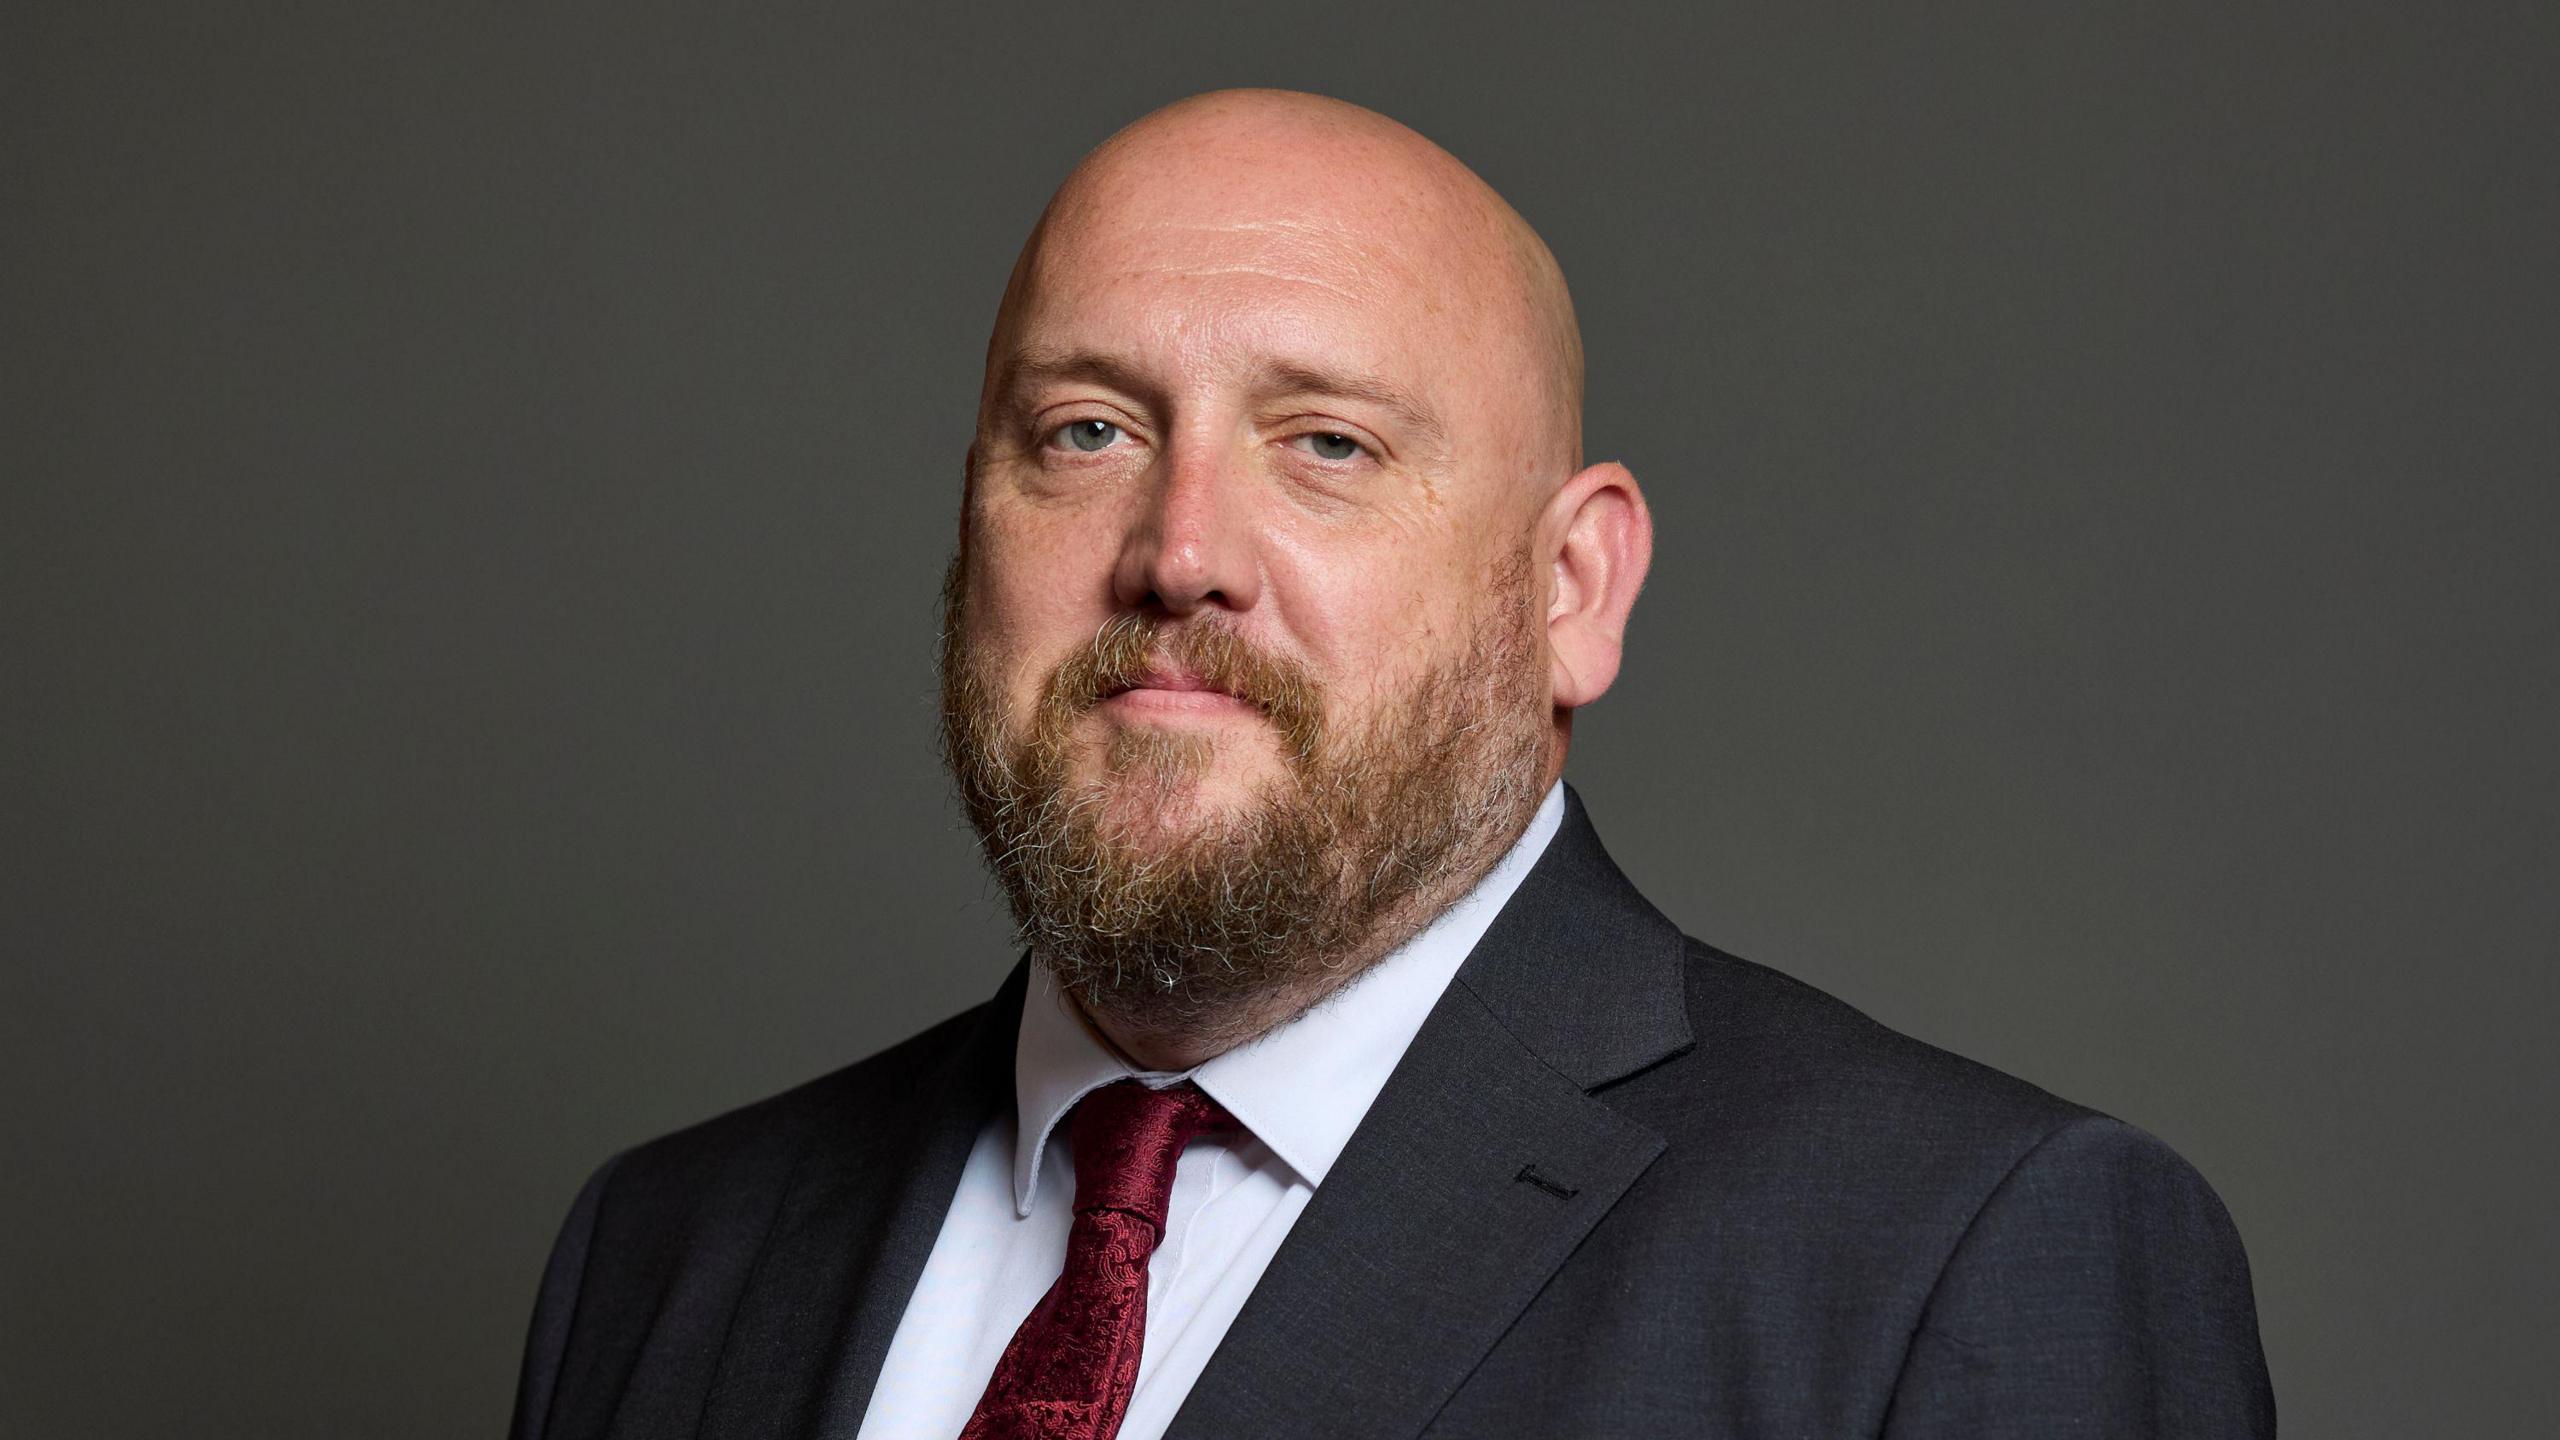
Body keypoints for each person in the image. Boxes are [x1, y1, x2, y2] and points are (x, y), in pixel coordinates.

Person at [507, 90, 2275, 1440]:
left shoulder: (1951, 1259)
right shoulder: (666, 1257)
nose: (1179, 550)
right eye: (1088, 430)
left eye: (1327, 444)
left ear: (1570, 590)